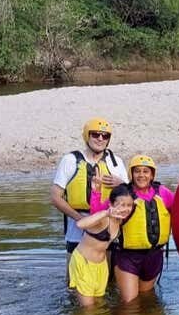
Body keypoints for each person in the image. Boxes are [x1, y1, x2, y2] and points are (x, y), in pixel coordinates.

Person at [90, 154, 174, 303]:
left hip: (154, 256)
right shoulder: (123, 193)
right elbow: (97, 217)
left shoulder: (163, 193)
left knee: (145, 299)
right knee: (129, 304)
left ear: (152, 174)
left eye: (146, 171)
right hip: (127, 257)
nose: (141, 175)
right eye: (137, 171)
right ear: (131, 173)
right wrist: (96, 193)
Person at [50, 117, 128, 272]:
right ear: (87, 135)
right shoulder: (70, 160)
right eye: (95, 134)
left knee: (105, 281)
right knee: (74, 282)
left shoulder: (116, 162)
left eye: (105, 136)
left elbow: (130, 197)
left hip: (107, 229)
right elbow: (55, 197)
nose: (100, 138)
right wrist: (80, 218)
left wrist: (122, 184)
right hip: (76, 229)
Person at [68, 184, 135, 307]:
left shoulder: (120, 219)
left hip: (101, 266)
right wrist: (105, 213)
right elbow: (80, 224)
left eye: (129, 205)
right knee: (88, 309)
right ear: (111, 204)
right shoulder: (103, 218)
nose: (126, 209)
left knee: (99, 305)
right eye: (121, 204)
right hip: (84, 263)